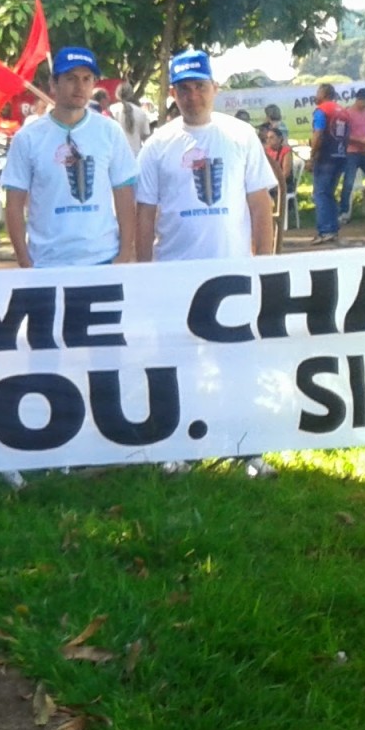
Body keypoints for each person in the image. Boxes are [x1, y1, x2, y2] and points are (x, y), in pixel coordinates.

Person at [133, 50, 278, 476]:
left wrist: (263, 264)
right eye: (184, 89)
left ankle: (246, 449)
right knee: (177, 364)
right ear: (173, 94)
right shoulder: (157, 145)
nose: (193, 96)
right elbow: (144, 213)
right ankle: (176, 447)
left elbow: (260, 204)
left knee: (238, 364)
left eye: (200, 87)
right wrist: (144, 272)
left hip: (231, 272)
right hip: (174, 274)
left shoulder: (239, 135)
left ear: (214, 88)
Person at [0, 46, 139, 267]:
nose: (80, 86)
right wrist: (24, 260)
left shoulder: (110, 131)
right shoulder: (28, 138)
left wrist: (123, 254)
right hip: (47, 262)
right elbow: (14, 203)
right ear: (53, 84)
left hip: (102, 258)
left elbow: (124, 194)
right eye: (71, 78)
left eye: (86, 79)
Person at [307, 82, 347, 245]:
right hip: (341, 156)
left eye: (318, 92)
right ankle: (333, 229)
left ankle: (325, 231)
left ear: (324, 94)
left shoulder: (322, 111)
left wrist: (312, 156)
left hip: (325, 157)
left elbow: (318, 133)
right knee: (329, 193)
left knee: (321, 194)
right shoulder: (343, 111)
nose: (316, 96)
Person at [342, 87, 365, 219]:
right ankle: (344, 211)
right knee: (349, 182)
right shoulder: (347, 113)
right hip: (351, 152)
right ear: (359, 99)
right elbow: (344, 135)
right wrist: (360, 140)